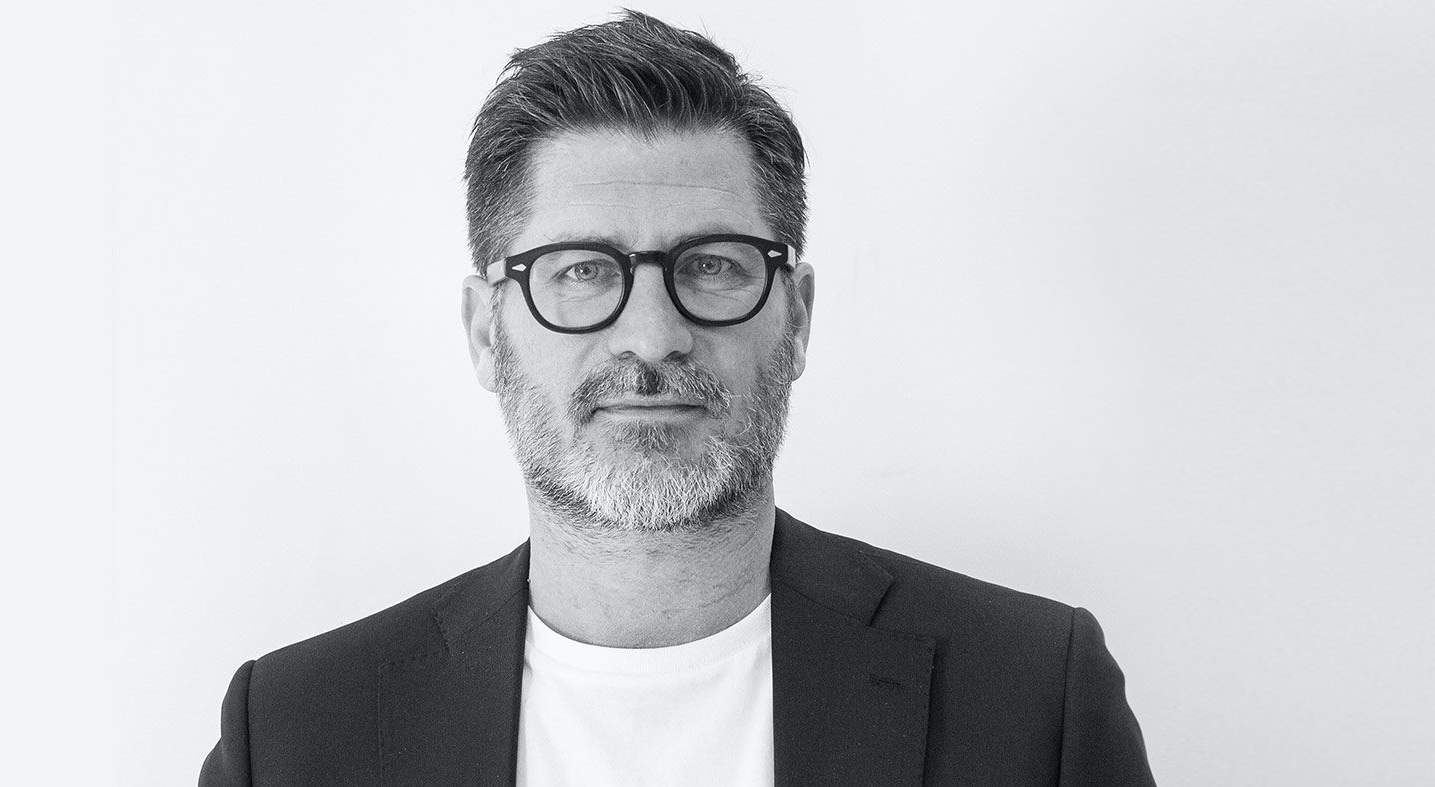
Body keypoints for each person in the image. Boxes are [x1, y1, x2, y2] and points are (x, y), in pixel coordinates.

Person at [200, 10, 1154, 785]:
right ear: (488, 331)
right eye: (582, 270)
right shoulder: (293, 735)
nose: (652, 334)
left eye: (712, 265)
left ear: (797, 316)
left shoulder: (1035, 697)